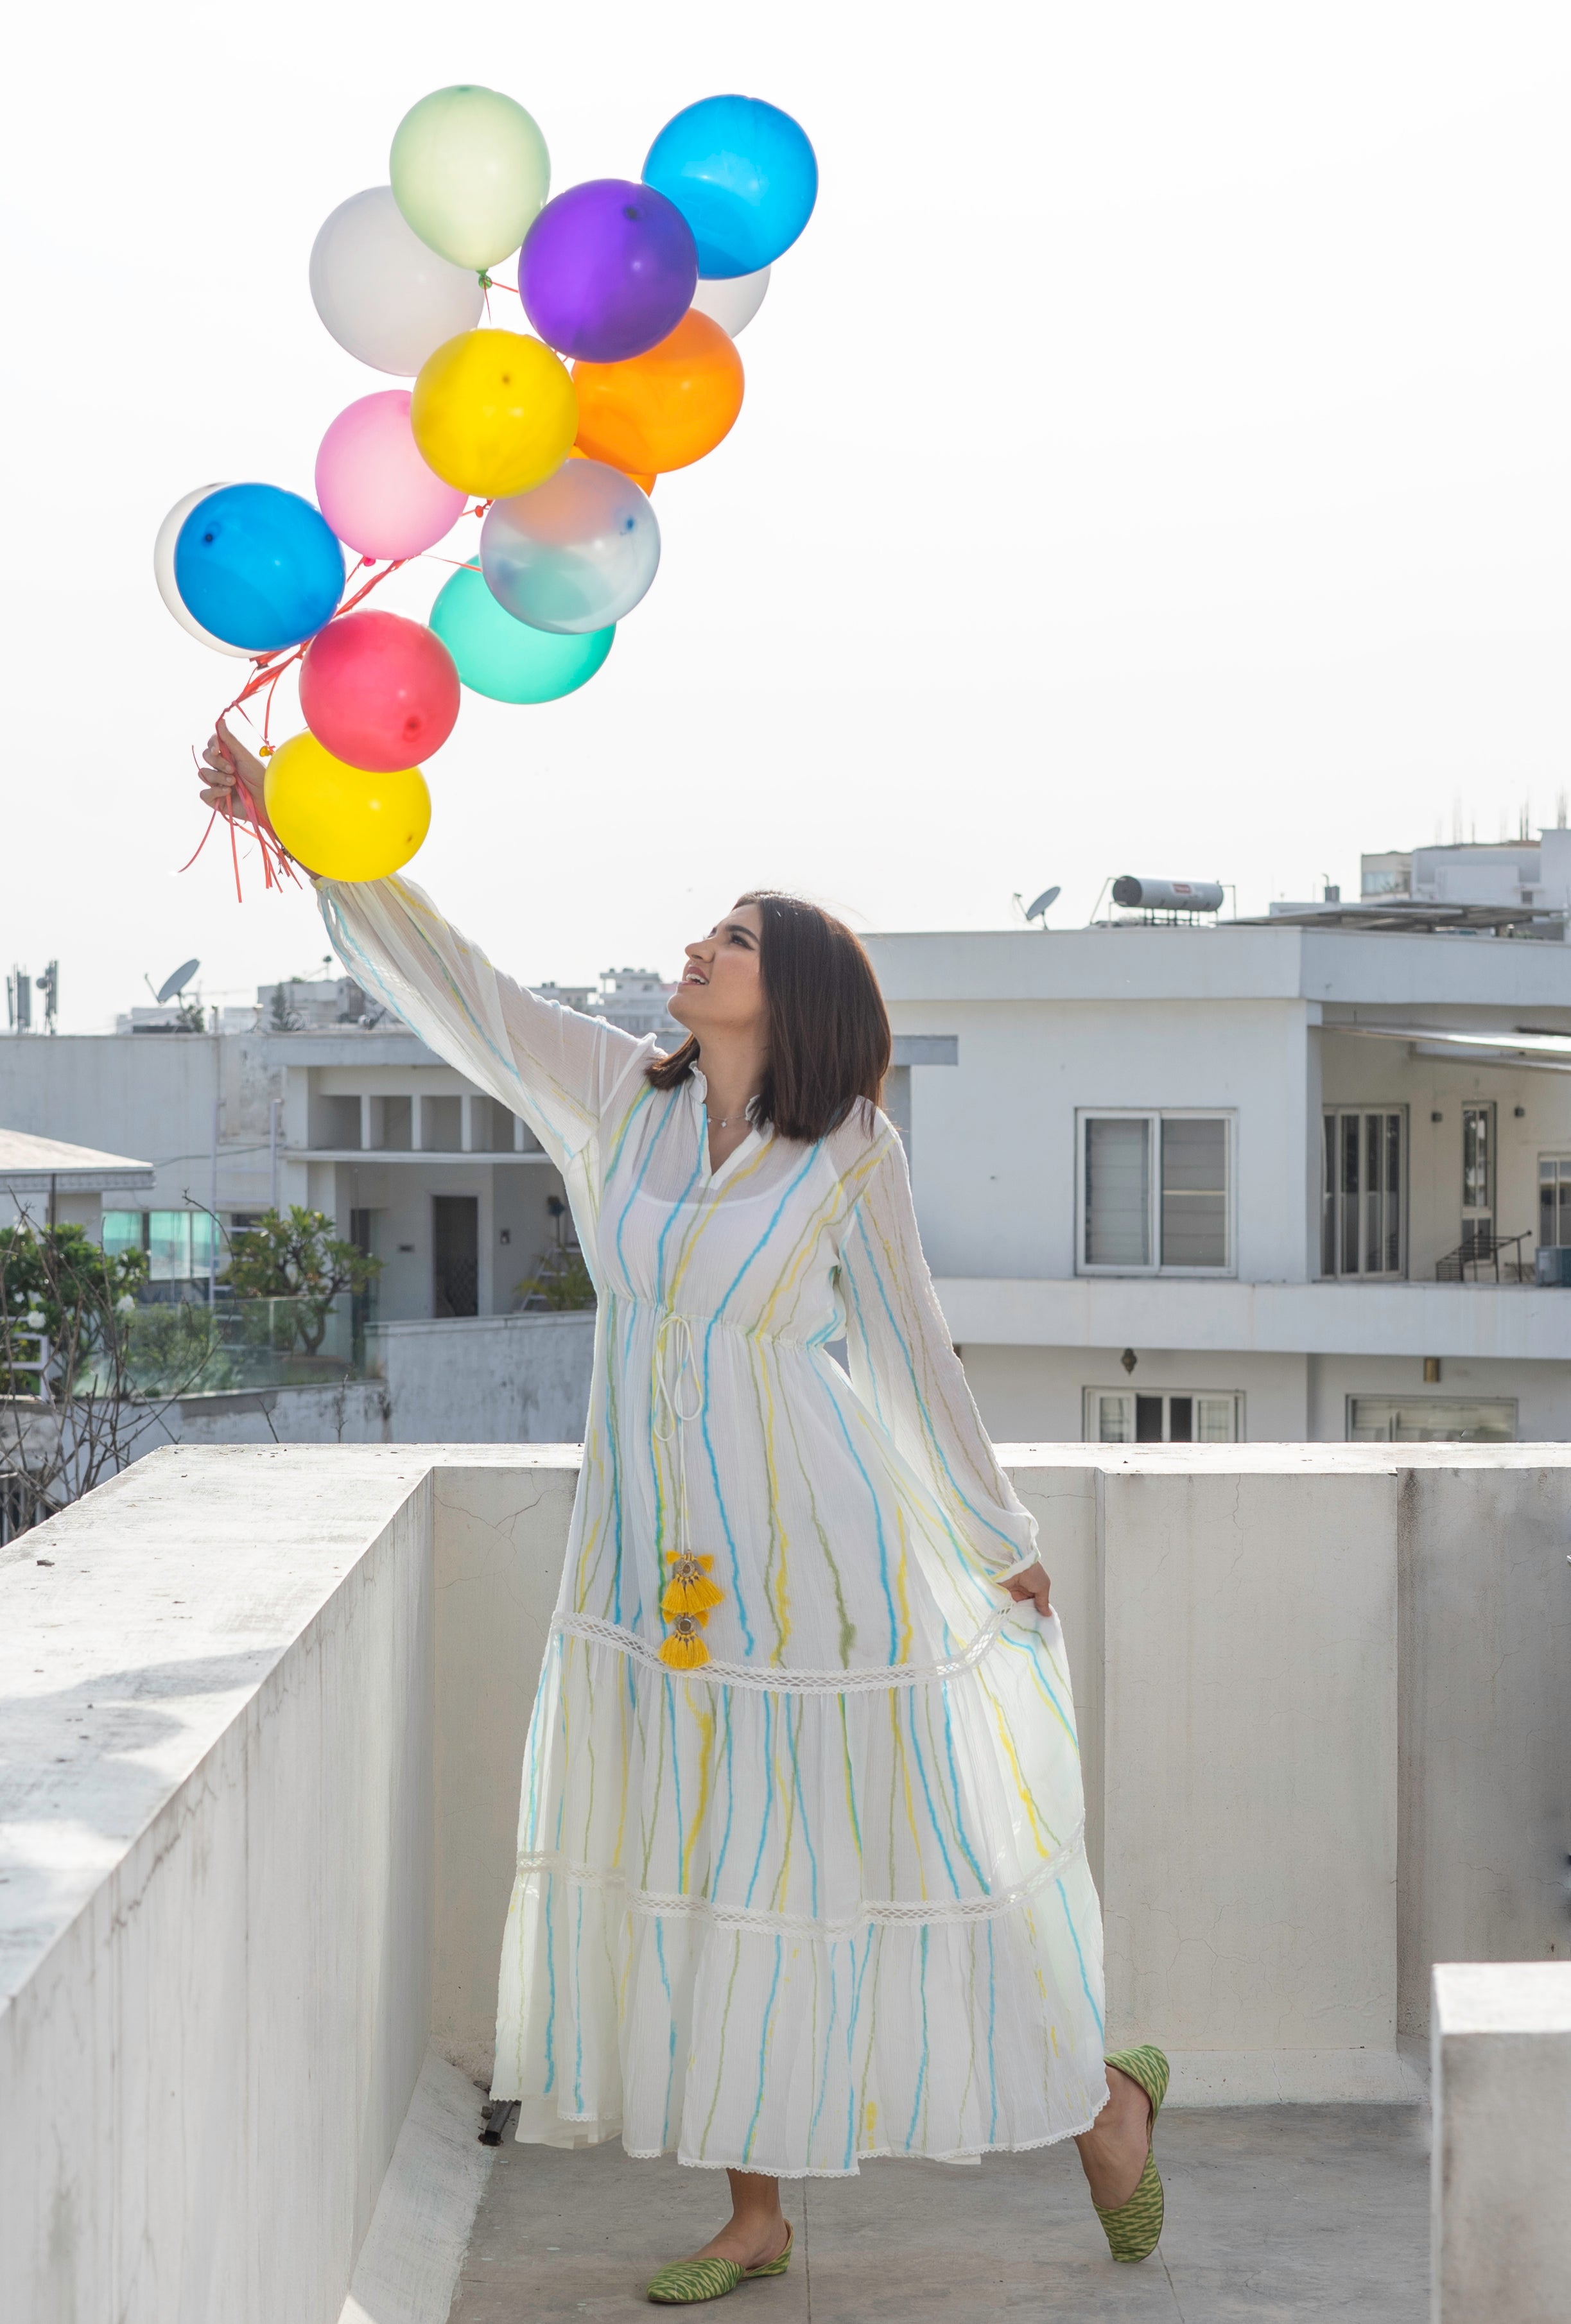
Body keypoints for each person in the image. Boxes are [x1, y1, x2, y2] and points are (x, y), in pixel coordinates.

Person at [200, 725, 1170, 2299]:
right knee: (714, 1854)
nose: (697, 946)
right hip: (663, 1555)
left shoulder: (850, 1152)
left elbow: (917, 1357)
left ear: (791, 996)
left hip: (826, 1559)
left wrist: (998, 1541)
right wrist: (304, 830)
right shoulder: (620, 1097)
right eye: (707, 928)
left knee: (911, 1847)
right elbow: (465, 988)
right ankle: (758, 2210)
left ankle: (1106, 2104)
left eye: (732, 936)